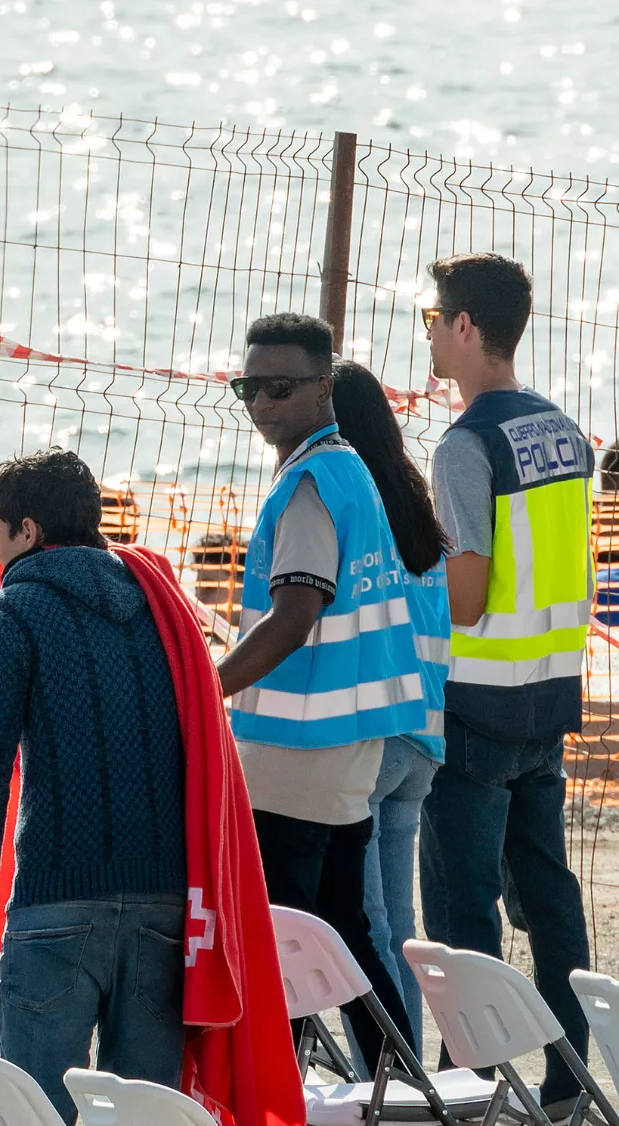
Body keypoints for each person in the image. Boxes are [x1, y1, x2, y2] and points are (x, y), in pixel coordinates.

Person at [0, 448, 187, 1123]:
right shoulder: (160, 605)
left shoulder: (12, 611)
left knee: (35, 1113)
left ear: (26, 530)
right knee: (145, 1116)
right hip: (165, 904)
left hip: (57, 902)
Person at [214, 313, 423, 1067]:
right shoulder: (351, 470)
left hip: (296, 749)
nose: (262, 403)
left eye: (280, 387)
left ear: (324, 389)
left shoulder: (306, 483)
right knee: (340, 928)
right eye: (248, 388)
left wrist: (207, 687)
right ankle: (398, 1085)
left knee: (287, 940)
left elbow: (296, 612)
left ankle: (283, 1090)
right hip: (349, 739)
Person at [419, 252, 593, 1114]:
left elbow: (469, 593)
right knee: (550, 892)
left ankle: (474, 1086)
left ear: (464, 326)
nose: (428, 337)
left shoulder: (465, 445)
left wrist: (413, 573)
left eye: (431, 320)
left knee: (462, 908)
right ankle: (569, 1080)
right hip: (549, 693)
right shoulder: (565, 431)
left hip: (476, 702)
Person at [329, 360, 450, 1057]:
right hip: (423, 731)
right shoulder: (415, 501)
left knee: (364, 921)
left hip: (372, 732)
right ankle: (407, 1069)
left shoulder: (355, 504)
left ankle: (390, 1071)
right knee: (397, 922)